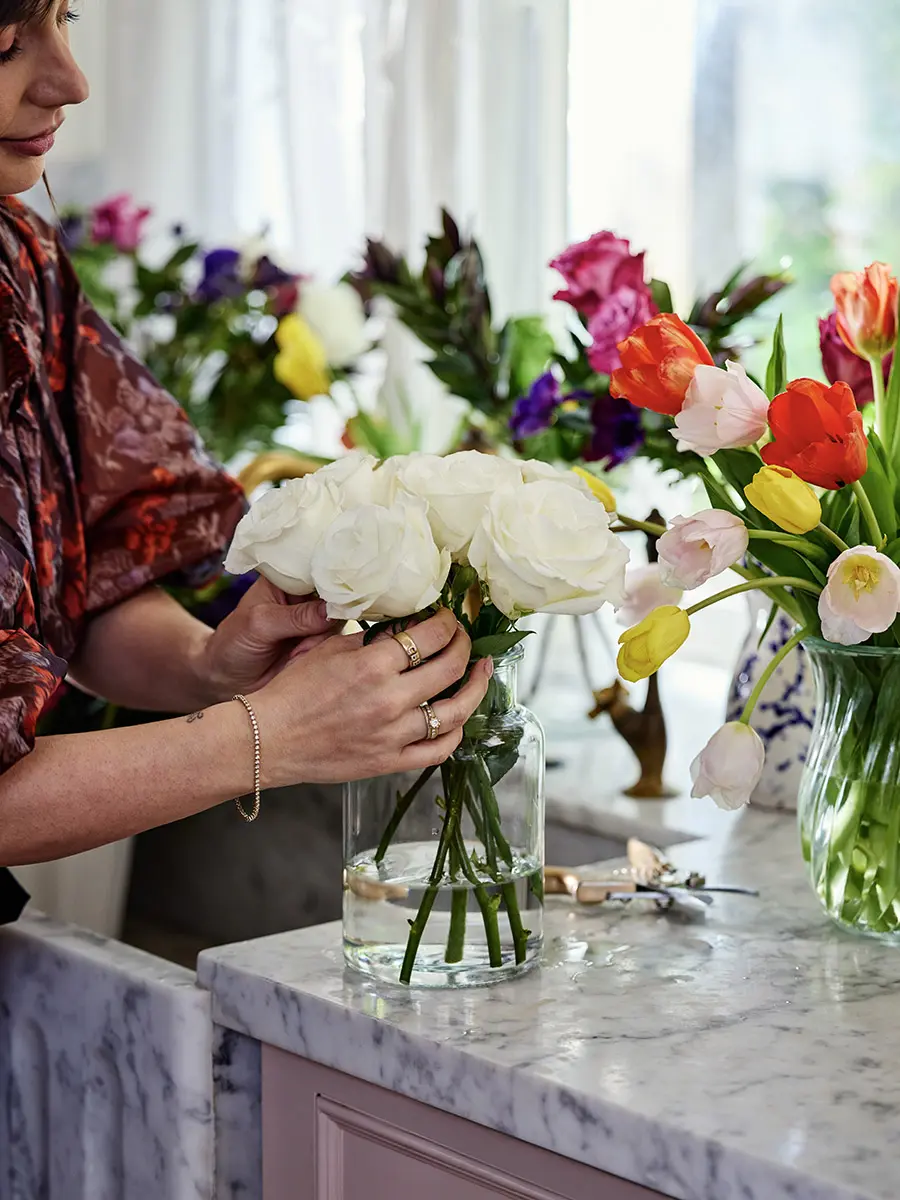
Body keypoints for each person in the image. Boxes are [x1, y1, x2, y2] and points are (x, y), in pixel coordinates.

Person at [0, 0, 490, 919]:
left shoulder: (18, 260)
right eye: (3, 41)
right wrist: (267, 738)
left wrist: (213, 665)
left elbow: (94, 567)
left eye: (65, 18)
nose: (71, 81)